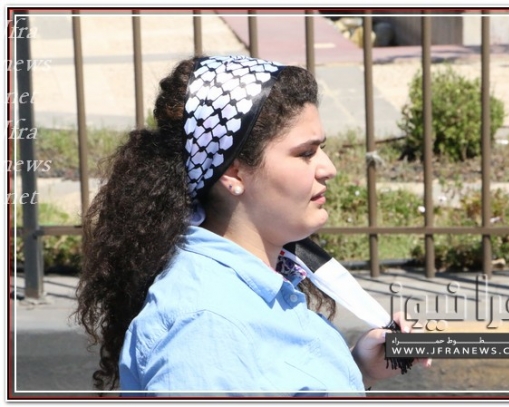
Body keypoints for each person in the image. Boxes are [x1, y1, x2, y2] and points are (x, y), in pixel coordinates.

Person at [75, 55, 418, 397]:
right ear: (235, 173)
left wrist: (359, 370)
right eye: (306, 153)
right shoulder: (205, 328)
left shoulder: (254, 286)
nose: (328, 168)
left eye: (321, 149)